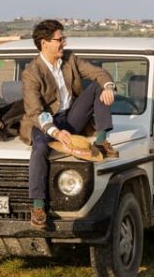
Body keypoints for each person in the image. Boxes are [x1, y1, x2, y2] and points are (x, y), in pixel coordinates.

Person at [20, 19, 119, 230]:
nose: (64, 43)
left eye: (63, 38)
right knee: (39, 149)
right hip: (44, 122)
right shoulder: (31, 73)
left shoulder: (70, 59)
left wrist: (108, 87)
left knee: (98, 86)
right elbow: (36, 111)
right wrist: (56, 133)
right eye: (59, 39)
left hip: (71, 116)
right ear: (44, 43)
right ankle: (38, 206)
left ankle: (101, 142)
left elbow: (98, 73)